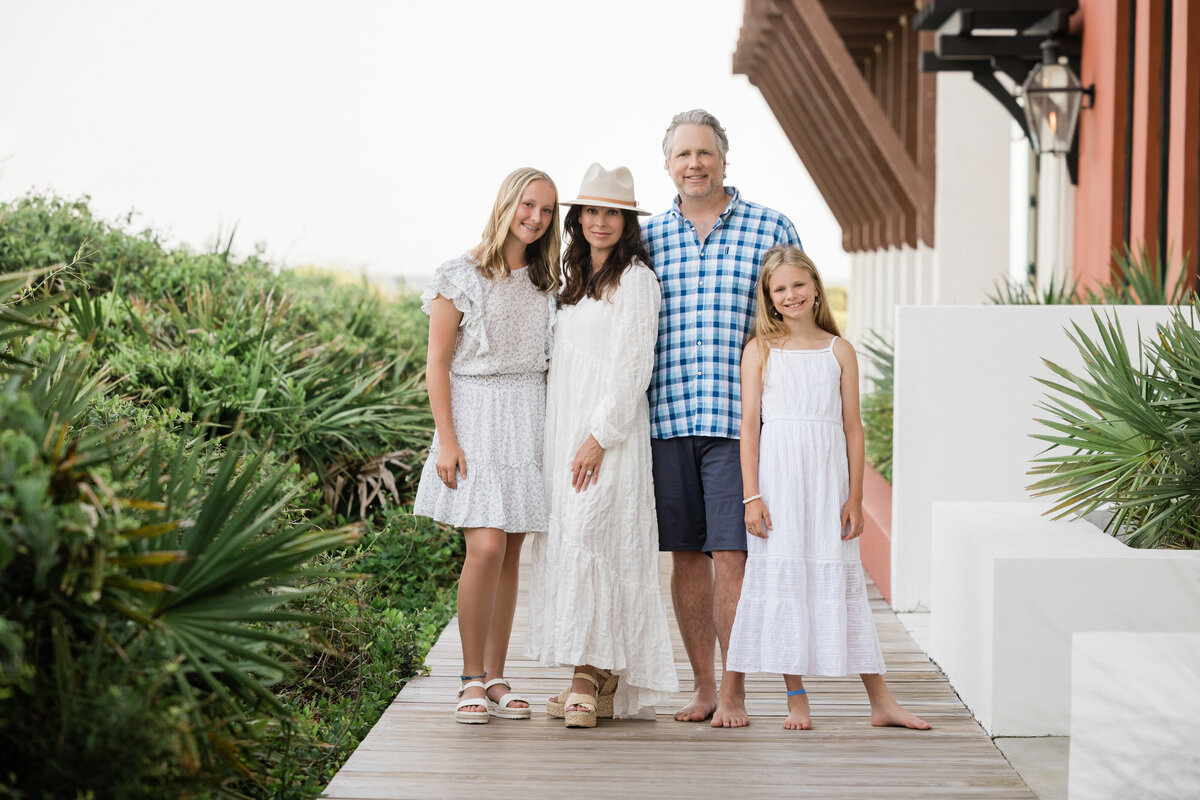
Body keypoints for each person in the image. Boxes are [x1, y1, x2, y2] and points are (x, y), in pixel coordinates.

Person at [727, 246, 931, 731]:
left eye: (799, 284)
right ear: (769, 299)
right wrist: (751, 496)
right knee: (784, 585)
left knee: (842, 584)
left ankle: (880, 701)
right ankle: (796, 699)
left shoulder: (840, 351)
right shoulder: (760, 351)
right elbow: (750, 428)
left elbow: (853, 428)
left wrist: (855, 498)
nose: (791, 295)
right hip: (778, 485)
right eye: (780, 289)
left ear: (816, 287)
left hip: (827, 484)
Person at [644, 109, 802, 728]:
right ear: (668, 165)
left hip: (741, 427)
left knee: (732, 555)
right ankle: (703, 688)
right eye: (682, 155)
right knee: (685, 557)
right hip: (668, 419)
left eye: (704, 153)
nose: (694, 164)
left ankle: (735, 693)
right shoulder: (650, 237)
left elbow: (792, 315)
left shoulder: (771, 226)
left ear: (724, 159)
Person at [526, 163, 678, 728]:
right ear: (577, 218)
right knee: (572, 544)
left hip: (606, 435)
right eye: (591, 210)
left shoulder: (635, 279)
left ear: (626, 221)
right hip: (564, 430)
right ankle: (594, 671)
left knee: (596, 541)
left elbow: (633, 366)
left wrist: (599, 437)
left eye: (611, 212)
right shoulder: (572, 279)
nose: (600, 221)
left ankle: (589, 677)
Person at [413, 167, 561, 724]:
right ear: (507, 204)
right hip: (474, 417)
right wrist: (446, 440)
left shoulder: (550, 280)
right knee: (486, 548)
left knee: (512, 552)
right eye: (528, 205)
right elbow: (437, 362)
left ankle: (497, 678)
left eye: (547, 211)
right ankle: (469, 678)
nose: (536, 218)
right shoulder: (460, 274)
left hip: (530, 416)